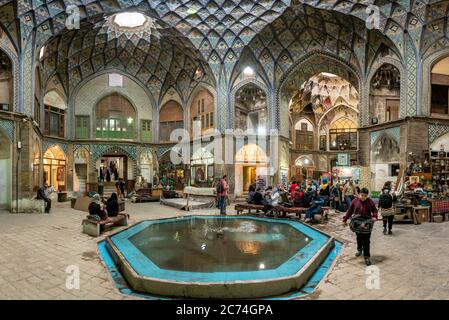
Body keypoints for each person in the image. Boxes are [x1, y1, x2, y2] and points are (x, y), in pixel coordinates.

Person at [343, 188, 378, 266]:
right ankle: (359, 250)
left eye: (365, 196)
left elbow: (375, 210)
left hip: (367, 223)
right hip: (357, 223)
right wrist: (345, 220)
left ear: (367, 196)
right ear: (359, 194)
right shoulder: (354, 201)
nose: (363, 197)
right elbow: (350, 211)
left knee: (366, 240)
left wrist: (375, 216)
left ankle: (367, 256)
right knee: (359, 237)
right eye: (362, 195)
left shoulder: (370, 201)